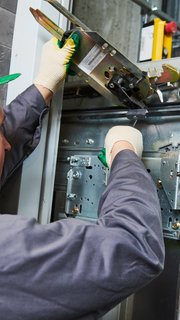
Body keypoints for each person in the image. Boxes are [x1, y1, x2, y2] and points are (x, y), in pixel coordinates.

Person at [0, 33, 165, 320]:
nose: (6, 142)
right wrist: (123, 152)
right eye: (0, 134)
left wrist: (43, 84)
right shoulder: (6, 255)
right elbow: (133, 247)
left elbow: (9, 137)